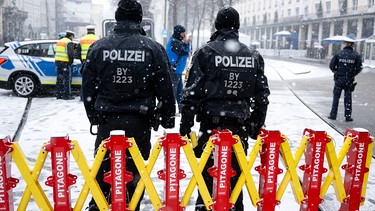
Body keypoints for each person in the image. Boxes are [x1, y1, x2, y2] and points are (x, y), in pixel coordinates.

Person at [81, 0, 175, 210]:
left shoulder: (99, 46)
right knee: (134, 172)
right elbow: (165, 87)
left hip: (107, 119)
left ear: (117, 18)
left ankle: (99, 204)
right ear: (139, 19)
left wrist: (93, 116)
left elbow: (87, 87)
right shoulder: (152, 48)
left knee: (103, 169)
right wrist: (168, 116)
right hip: (139, 121)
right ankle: (131, 205)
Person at [179, 6, 270, 211]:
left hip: (211, 126)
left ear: (217, 26)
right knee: (235, 179)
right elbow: (262, 96)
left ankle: (205, 206)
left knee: (207, 179)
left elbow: (192, 92)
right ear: (237, 27)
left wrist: (186, 122)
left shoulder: (206, 52)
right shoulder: (252, 55)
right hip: (238, 128)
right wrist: (255, 124)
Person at [328, 38, 362, 122]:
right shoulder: (356, 55)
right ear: (352, 45)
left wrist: (336, 72)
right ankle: (348, 116)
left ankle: (333, 115)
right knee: (348, 98)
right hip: (349, 80)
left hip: (339, 79)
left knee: (336, 97)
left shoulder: (339, 54)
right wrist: (352, 74)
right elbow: (359, 67)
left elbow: (331, 65)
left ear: (345, 44)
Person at [166, 24, 192, 113]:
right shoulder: (175, 42)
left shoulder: (176, 40)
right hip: (174, 71)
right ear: (179, 33)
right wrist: (187, 43)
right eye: (183, 33)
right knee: (175, 92)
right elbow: (186, 53)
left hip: (177, 71)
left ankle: (181, 109)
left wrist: (186, 43)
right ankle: (171, 110)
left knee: (179, 92)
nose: (184, 35)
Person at [55, 30, 75, 100]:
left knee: (59, 78)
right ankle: (67, 95)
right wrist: (71, 62)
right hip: (65, 62)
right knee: (67, 79)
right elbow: (70, 53)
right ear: (71, 36)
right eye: (73, 37)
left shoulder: (59, 41)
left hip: (58, 61)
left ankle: (58, 94)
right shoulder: (68, 42)